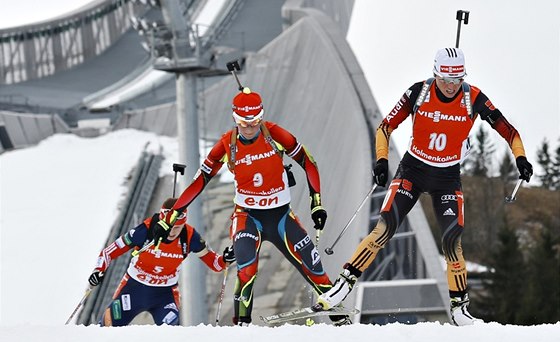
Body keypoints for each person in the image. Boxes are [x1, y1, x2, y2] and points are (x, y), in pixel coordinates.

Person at [314, 47, 534, 326]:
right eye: (445, 80)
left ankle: (459, 307)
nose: (451, 87)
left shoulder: (473, 97)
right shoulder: (418, 92)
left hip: (446, 177)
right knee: (384, 228)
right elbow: (385, 127)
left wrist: (521, 157)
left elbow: (508, 130)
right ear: (435, 74)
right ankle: (343, 285)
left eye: (457, 81)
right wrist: (381, 161)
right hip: (413, 170)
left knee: (452, 240)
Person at [152, 87, 350, 326]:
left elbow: (308, 162)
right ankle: (242, 328)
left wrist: (316, 203)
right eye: (243, 123)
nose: (249, 128)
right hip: (247, 217)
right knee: (247, 270)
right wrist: (171, 217)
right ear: (235, 119)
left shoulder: (275, 134)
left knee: (313, 266)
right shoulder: (227, 144)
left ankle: (341, 322)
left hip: (280, 216)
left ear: (261, 116)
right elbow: (198, 182)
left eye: (255, 121)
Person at [88, 197, 235, 326]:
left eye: (177, 227)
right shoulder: (145, 230)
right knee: (108, 327)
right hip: (132, 290)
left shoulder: (190, 237)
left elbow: (216, 264)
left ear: (184, 224)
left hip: (164, 295)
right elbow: (108, 252)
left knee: (170, 332)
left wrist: (226, 258)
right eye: (169, 227)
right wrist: (98, 271)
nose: (172, 232)